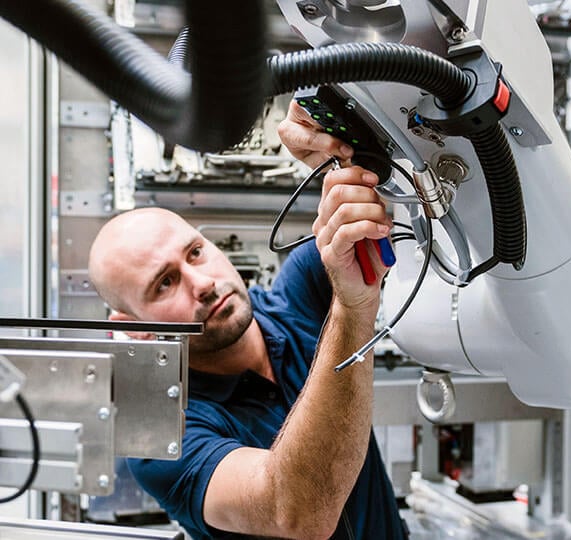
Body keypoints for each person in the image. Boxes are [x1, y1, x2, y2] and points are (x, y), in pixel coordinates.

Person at [87, 102, 407, 540]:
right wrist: (353, 310)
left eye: (195, 252)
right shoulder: (162, 437)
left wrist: (343, 146)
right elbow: (296, 511)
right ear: (134, 327)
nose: (201, 283)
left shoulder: (298, 296)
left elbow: (401, 196)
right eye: (164, 284)